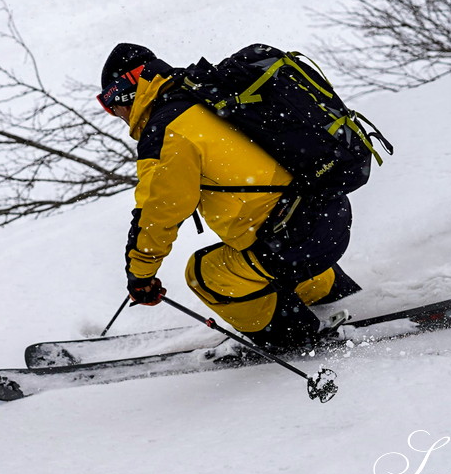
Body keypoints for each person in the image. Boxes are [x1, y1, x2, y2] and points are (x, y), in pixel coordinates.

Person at [97, 43, 363, 354]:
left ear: (126, 93)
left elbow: (159, 211)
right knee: (255, 257)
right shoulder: (204, 95)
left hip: (291, 238)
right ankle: (342, 297)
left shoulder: (167, 130)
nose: (114, 113)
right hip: (325, 213)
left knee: (205, 274)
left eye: (110, 104)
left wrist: (140, 274)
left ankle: (293, 338)